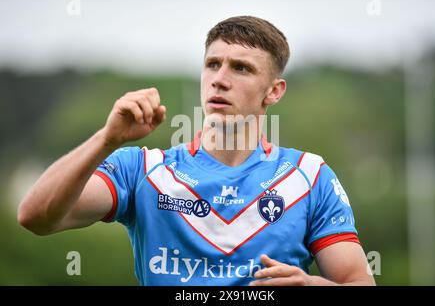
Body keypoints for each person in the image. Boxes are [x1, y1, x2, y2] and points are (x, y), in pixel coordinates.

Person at [18, 16, 375, 286]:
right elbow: (36, 217)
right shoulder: (143, 170)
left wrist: (313, 284)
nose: (220, 78)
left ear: (274, 91)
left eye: (241, 68)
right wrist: (106, 140)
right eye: (212, 64)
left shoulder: (309, 177)